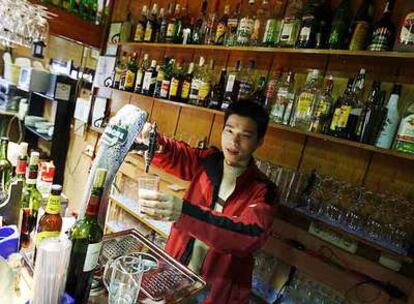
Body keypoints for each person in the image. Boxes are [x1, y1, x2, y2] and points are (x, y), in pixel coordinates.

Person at [138, 101, 278, 304]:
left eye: (245, 136)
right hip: (178, 277)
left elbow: (248, 236)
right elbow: (178, 155)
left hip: (218, 293)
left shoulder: (264, 190)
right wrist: (157, 143)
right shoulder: (208, 161)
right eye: (229, 131)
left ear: (259, 142)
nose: (234, 141)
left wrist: (183, 212)